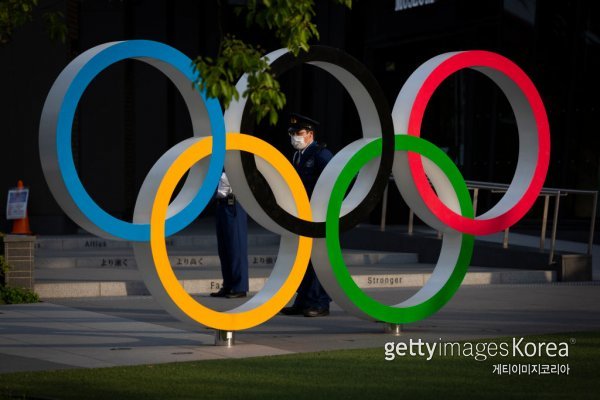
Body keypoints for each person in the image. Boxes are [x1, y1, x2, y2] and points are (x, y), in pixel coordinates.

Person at [280, 112, 333, 317]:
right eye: (292, 133)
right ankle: (303, 300)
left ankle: (320, 302)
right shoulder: (297, 155)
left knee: (319, 260)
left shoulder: (321, 154)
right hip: (302, 215)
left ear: (310, 134)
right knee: (302, 260)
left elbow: (333, 183)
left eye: (299, 132)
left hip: (318, 215)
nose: (295, 137)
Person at [210, 172, 249, 298]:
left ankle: (240, 287)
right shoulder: (217, 160)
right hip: (221, 203)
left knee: (236, 246)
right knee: (224, 248)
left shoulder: (234, 158)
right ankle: (228, 284)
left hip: (233, 203)